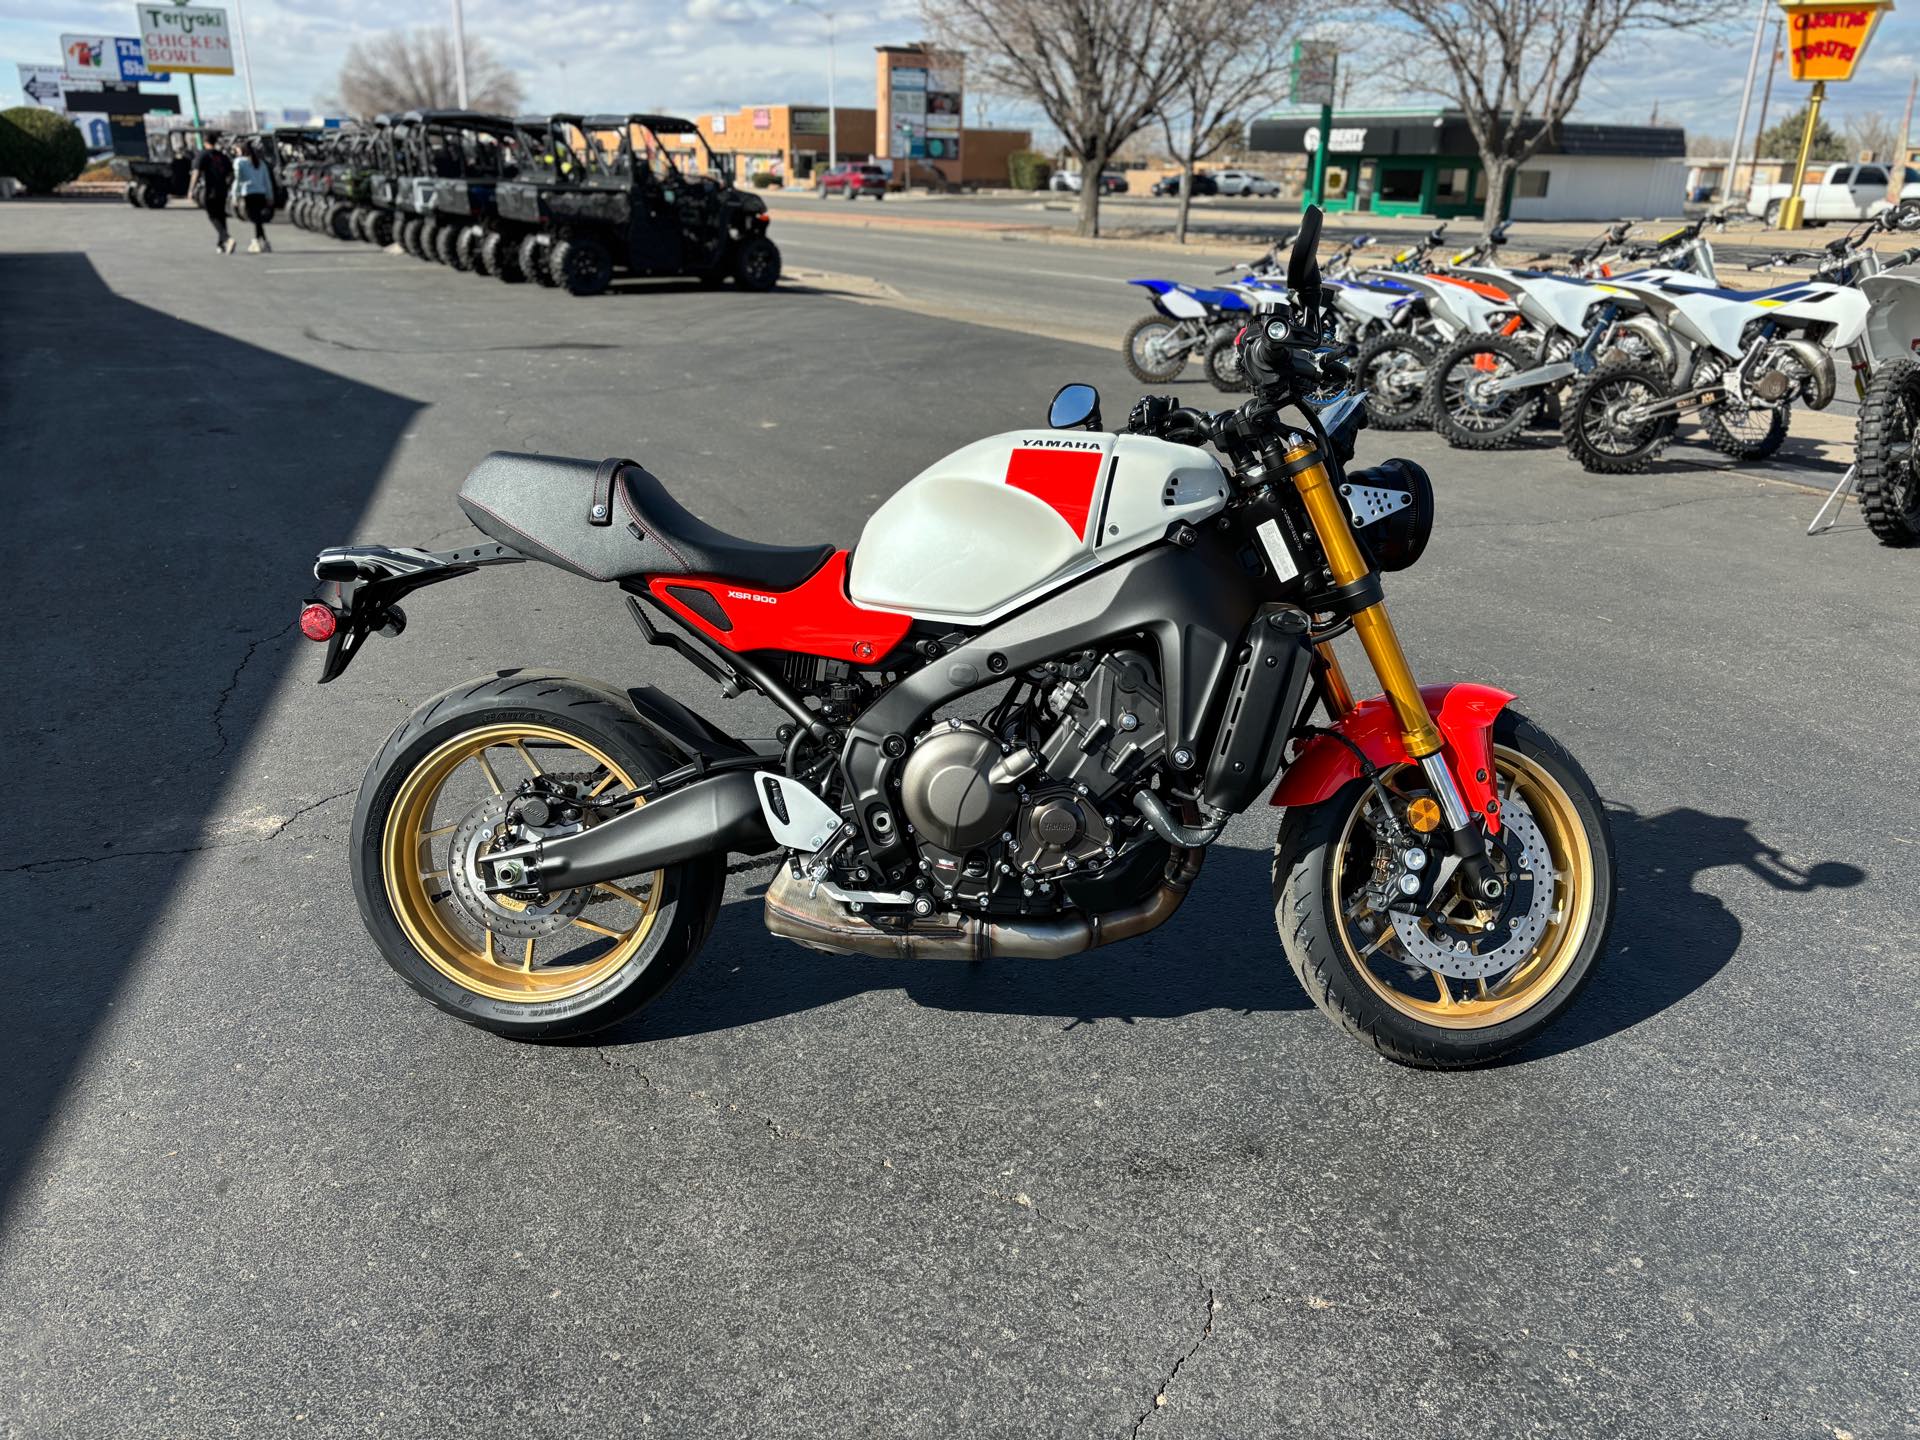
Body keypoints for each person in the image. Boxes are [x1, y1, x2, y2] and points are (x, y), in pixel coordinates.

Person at [189, 137, 234, 254]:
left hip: (210, 190)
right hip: (223, 190)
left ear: (205, 143)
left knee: (213, 216)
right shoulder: (223, 156)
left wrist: (191, 189)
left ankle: (227, 238)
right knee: (221, 216)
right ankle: (221, 244)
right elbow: (231, 173)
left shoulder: (203, 155)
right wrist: (227, 184)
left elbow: (196, 173)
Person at [234, 141, 274, 253]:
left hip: (249, 193)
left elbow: (237, 180)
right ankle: (263, 241)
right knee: (258, 220)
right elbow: (267, 181)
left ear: (242, 151)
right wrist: (269, 195)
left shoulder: (239, 162)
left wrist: (235, 195)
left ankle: (258, 242)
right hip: (261, 193)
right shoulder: (261, 163)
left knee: (256, 219)